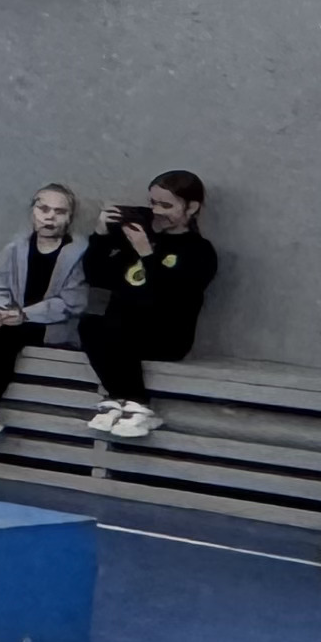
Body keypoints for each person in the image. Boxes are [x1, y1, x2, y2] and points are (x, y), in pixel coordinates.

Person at [0, 184, 88, 453]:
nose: (50, 217)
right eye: (43, 209)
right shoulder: (15, 248)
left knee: (5, 338)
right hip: (16, 320)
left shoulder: (78, 254)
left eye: (59, 212)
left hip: (55, 327)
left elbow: (72, 303)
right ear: (33, 211)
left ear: (70, 218)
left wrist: (25, 315)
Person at [81, 171, 217, 441]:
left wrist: (147, 254)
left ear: (191, 207)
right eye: (153, 203)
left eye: (166, 205)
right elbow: (96, 276)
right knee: (90, 324)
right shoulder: (140, 237)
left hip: (166, 335)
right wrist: (100, 235)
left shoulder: (199, 251)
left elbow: (171, 298)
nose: (157, 211)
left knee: (119, 324)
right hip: (122, 330)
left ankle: (136, 402)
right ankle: (122, 400)